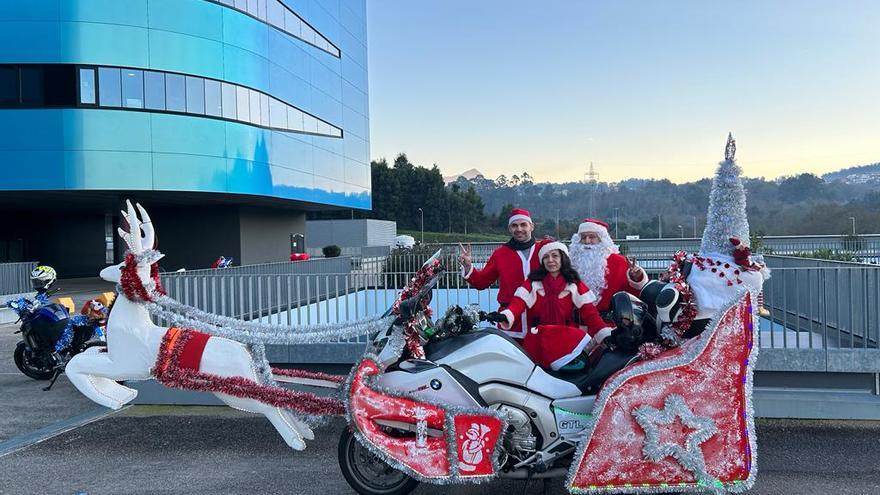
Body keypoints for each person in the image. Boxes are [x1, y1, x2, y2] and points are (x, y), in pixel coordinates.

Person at [486, 242, 615, 370]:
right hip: (539, 339)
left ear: (563, 258)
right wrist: (505, 316)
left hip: (565, 338)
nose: (550, 260)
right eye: (546, 257)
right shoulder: (533, 283)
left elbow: (590, 313)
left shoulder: (574, 284)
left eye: (555, 256)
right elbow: (518, 304)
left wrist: (604, 334)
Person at [459, 208, 550, 338]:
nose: (519, 229)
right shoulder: (500, 254)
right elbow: (481, 282)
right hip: (510, 323)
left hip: (539, 321)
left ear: (532, 226)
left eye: (523, 224)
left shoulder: (545, 250)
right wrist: (468, 266)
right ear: (509, 229)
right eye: (514, 225)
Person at [568, 218, 648, 317]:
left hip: (608, 324)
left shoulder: (619, 262)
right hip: (576, 325)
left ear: (602, 239)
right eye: (583, 237)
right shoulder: (571, 262)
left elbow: (632, 297)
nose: (587, 241)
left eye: (592, 237)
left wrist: (636, 278)